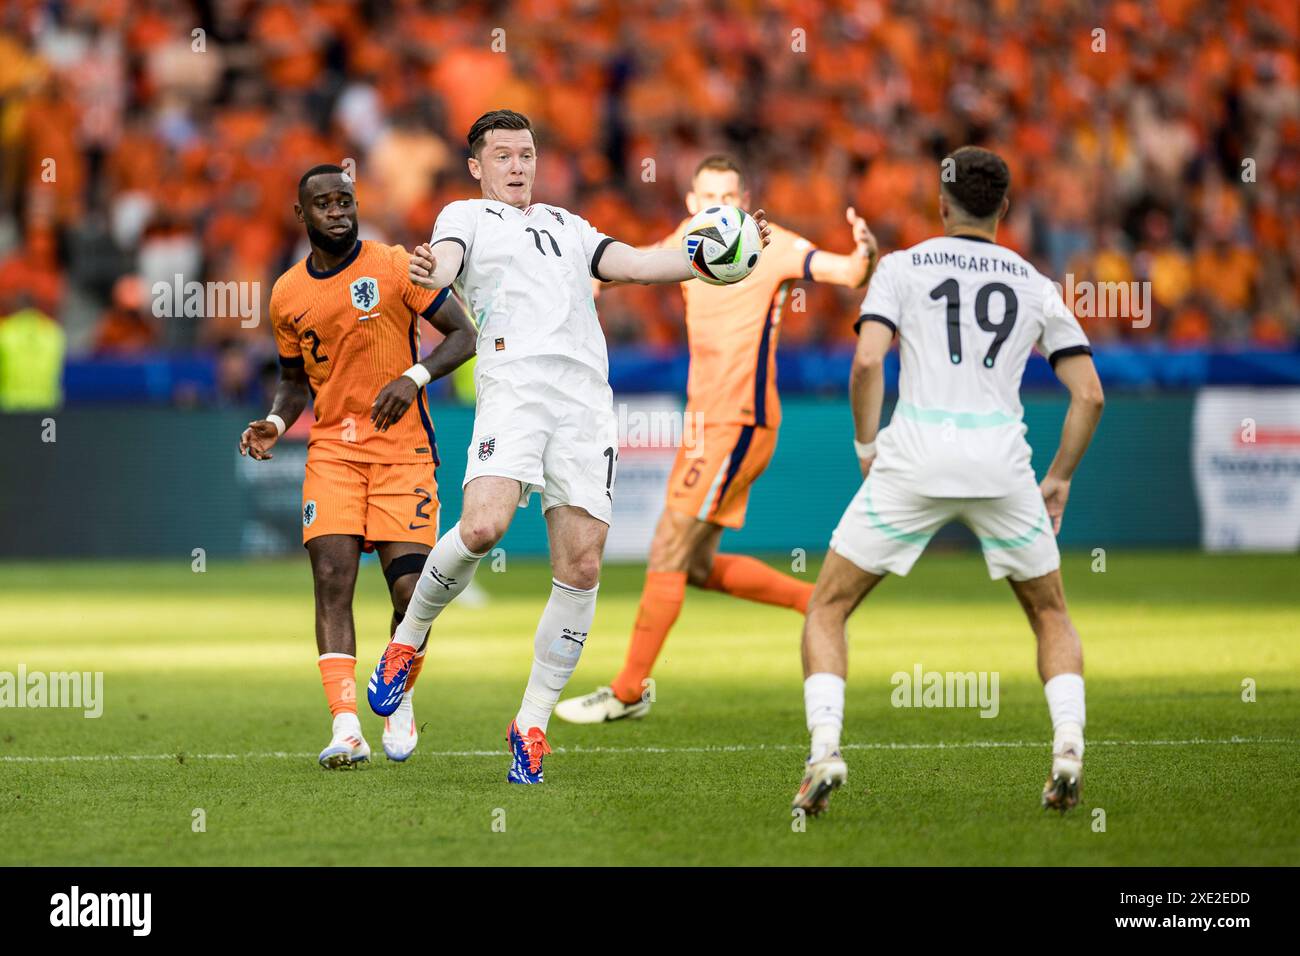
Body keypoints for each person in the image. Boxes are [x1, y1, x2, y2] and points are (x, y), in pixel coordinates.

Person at [364, 110, 772, 784]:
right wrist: (432, 268)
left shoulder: (568, 226)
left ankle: (531, 723)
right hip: (515, 385)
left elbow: (639, 263)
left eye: (526, 153)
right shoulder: (464, 217)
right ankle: (405, 646)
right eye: (502, 156)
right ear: (477, 166)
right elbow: (446, 266)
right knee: (484, 524)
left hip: (586, 403)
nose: (518, 165)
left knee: (581, 569)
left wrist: (714, 253)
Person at [793, 146, 1104, 816]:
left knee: (828, 607)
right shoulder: (1033, 283)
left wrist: (867, 444)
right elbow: (1090, 397)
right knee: (1050, 612)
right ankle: (1069, 749)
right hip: (1001, 464)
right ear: (1005, 209)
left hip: (913, 455)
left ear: (941, 203)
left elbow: (867, 362)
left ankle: (825, 750)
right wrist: (1059, 479)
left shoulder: (902, 268)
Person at [557, 154, 878, 724]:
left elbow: (845, 274)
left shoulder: (770, 241)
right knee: (697, 566)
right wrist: (589, 278)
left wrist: (862, 257)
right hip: (705, 422)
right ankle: (818, 603)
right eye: (709, 198)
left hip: (740, 418)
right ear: (690, 204)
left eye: (730, 198)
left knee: (669, 547)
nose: (719, 209)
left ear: (746, 200)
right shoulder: (690, 239)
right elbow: (635, 265)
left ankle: (629, 691)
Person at [239, 164, 476, 769]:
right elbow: (294, 383)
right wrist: (272, 421)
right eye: (324, 203)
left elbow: (463, 335)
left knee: (409, 590)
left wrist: (414, 376)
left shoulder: (395, 265)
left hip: (402, 451)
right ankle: (346, 726)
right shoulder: (287, 293)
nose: (338, 211)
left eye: (345, 200)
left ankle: (397, 696)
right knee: (331, 582)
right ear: (303, 215)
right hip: (334, 454)